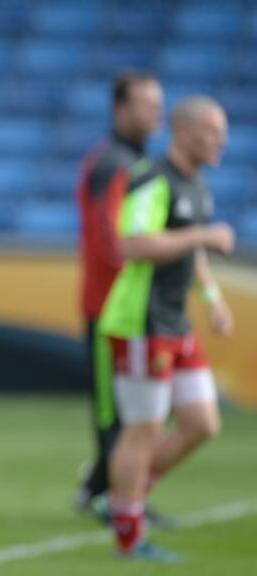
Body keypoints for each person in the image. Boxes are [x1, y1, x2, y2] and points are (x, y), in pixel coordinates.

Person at [101, 96, 234, 560]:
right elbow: (133, 243)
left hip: (176, 321)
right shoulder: (151, 178)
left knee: (202, 423)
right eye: (214, 132)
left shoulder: (195, 185)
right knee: (144, 429)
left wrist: (213, 299)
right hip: (142, 322)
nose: (223, 141)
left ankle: (124, 497)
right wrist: (204, 235)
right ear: (184, 132)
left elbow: (188, 249)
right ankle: (128, 534)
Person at [73, 72, 166, 521]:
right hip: (110, 307)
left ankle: (100, 489)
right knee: (117, 410)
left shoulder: (134, 161)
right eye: (146, 104)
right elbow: (110, 239)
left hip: (135, 309)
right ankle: (113, 499)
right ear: (120, 110)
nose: (156, 112)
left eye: (158, 103)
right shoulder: (113, 163)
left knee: (140, 409)